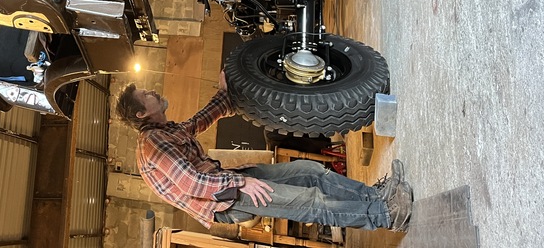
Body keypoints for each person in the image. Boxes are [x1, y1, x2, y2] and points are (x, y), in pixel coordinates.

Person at [115, 71, 413, 233]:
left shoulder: (165, 132)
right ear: (141, 113)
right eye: (145, 95)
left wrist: (224, 94)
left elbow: (197, 123)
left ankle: (375, 197)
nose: (152, 92)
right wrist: (241, 182)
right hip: (226, 201)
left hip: (226, 182)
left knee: (310, 172)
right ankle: (386, 215)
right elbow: (192, 183)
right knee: (310, 202)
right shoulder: (151, 145)